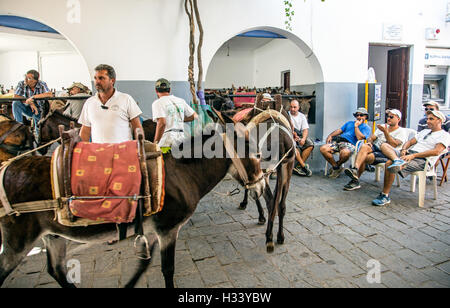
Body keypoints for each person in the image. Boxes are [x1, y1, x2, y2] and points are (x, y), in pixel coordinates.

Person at [372, 110, 450, 206]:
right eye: (427, 119)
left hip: (422, 160)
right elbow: (410, 142)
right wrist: (404, 149)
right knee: (384, 145)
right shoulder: (425, 131)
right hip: (409, 154)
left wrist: (413, 155)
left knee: (389, 163)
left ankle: (385, 195)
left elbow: (436, 151)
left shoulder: (444, 135)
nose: (428, 121)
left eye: (431, 119)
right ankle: (397, 161)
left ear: (439, 121)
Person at [343, 109, 408, 191]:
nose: (388, 118)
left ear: (398, 119)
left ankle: (355, 180)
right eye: (388, 116)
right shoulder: (383, 126)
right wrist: (370, 142)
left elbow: (393, 144)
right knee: (364, 147)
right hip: (376, 149)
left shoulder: (401, 131)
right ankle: (355, 170)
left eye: (391, 117)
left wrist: (385, 132)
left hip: (388, 154)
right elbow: (371, 138)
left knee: (365, 155)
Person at [78, 64, 143, 143]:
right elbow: (85, 131)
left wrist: (139, 148)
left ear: (112, 80)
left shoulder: (126, 99)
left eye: (101, 78)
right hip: (98, 153)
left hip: (122, 152)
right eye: (95, 78)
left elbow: (137, 127)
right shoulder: (89, 103)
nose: (97, 81)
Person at [320, 107, 372, 178]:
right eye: (357, 115)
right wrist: (330, 135)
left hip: (350, 144)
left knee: (345, 153)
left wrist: (356, 126)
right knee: (323, 148)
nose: (359, 117)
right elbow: (340, 130)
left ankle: (338, 165)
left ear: (365, 116)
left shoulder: (366, 128)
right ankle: (336, 167)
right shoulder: (349, 123)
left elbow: (360, 138)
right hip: (339, 141)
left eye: (361, 115)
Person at [152, 78, 198, 153]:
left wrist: (155, 143)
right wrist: (179, 119)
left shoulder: (157, 103)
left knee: (163, 162)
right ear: (169, 90)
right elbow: (195, 116)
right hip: (181, 140)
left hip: (167, 142)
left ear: (156, 90)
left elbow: (162, 123)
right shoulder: (180, 101)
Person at [289, 99, 313, 176]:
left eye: (294, 107)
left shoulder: (302, 116)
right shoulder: (287, 115)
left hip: (299, 136)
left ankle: (298, 167)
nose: (292, 109)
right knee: (293, 147)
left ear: (298, 107)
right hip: (289, 136)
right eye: (291, 107)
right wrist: (293, 135)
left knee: (310, 144)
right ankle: (304, 166)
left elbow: (305, 130)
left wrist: (303, 139)